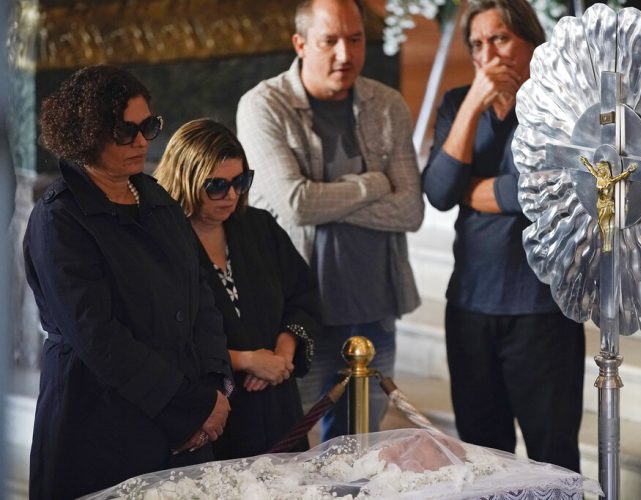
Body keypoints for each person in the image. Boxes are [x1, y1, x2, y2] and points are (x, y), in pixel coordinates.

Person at [23, 65, 232, 499]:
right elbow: (99, 339)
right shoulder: (60, 218)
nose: (141, 141)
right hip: (101, 426)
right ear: (87, 133)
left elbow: (203, 297)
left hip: (187, 418)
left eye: (148, 127)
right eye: (125, 131)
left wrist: (212, 388)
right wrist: (189, 409)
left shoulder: (156, 197)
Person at [236, 0, 424, 442]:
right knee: (290, 447)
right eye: (330, 41)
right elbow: (297, 203)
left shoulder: (386, 104)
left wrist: (328, 194)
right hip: (299, 318)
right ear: (300, 44)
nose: (345, 54)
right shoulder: (265, 106)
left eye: (355, 39)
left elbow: (411, 210)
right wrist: (374, 183)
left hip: (374, 309)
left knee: (363, 447)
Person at [421, 0, 585, 472]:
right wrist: (474, 103)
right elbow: (437, 191)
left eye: (500, 39)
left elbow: (542, 190)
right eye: (477, 44)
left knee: (552, 460)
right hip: (471, 307)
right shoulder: (457, 103)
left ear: (531, 42)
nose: (488, 54)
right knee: (482, 458)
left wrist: (469, 189)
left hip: (541, 309)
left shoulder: (564, 103)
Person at [154, 118, 321, 458]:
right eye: (216, 186)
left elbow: (303, 295)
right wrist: (246, 361)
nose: (231, 195)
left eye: (241, 181)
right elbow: (162, 339)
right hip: (211, 413)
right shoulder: (161, 243)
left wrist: (282, 354)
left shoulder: (257, 226)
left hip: (276, 404)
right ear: (186, 180)